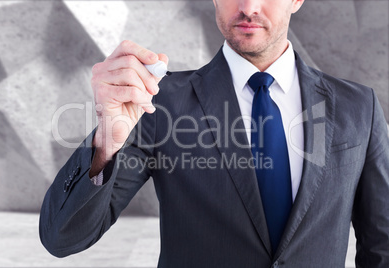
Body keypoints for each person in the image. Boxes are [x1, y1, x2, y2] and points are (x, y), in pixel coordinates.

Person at [39, 0, 389, 267]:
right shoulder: (157, 105)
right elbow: (63, 238)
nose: (248, 8)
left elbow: (382, 244)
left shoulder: (358, 106)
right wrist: (106, 141)